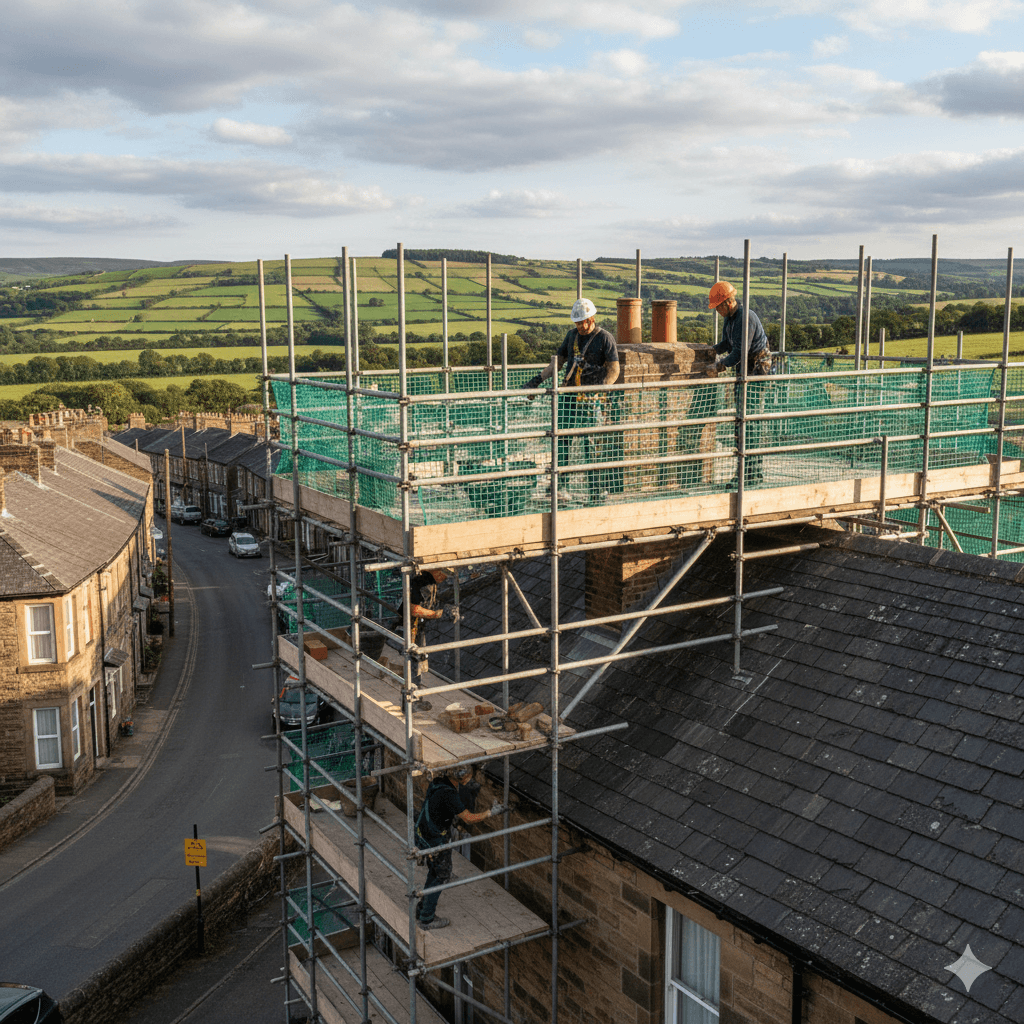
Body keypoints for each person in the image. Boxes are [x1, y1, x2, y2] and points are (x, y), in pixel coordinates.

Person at [521, 297, 621, 503]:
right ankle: (559, 489)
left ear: (592, 319)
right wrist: (536, 381)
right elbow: (556, 364)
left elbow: (614, 370)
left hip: (591, 400)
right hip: (569, 397)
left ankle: (596, 491)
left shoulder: (605, 338)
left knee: (591, 445)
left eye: (584, 322)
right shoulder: (571, 336)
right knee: (562, 441)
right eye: (578, 323)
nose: (581, 327)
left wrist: (600, 391)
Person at [415, 765, 502, 930]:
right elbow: (468, 818)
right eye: (468, 775)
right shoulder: (449, 794)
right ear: (460, 776)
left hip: (425, 831)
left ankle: (422, 909)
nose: (470, 777)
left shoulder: (438, 782)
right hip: (434, 838)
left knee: (436, 871)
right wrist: (490, 813)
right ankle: (426, 919)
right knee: (439, 876)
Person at [707, 281, 774, 484]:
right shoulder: (730, 319)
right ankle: (746, 473)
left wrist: (720, 365)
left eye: (718, 307)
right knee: (742, 422)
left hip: (756, 372)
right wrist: (710, 350)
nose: (717, 311)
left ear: (727, 302)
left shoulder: (746, 318)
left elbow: (739, 351)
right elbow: (727, 344)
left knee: (749, 422)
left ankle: (751, 474)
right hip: (744, 370)